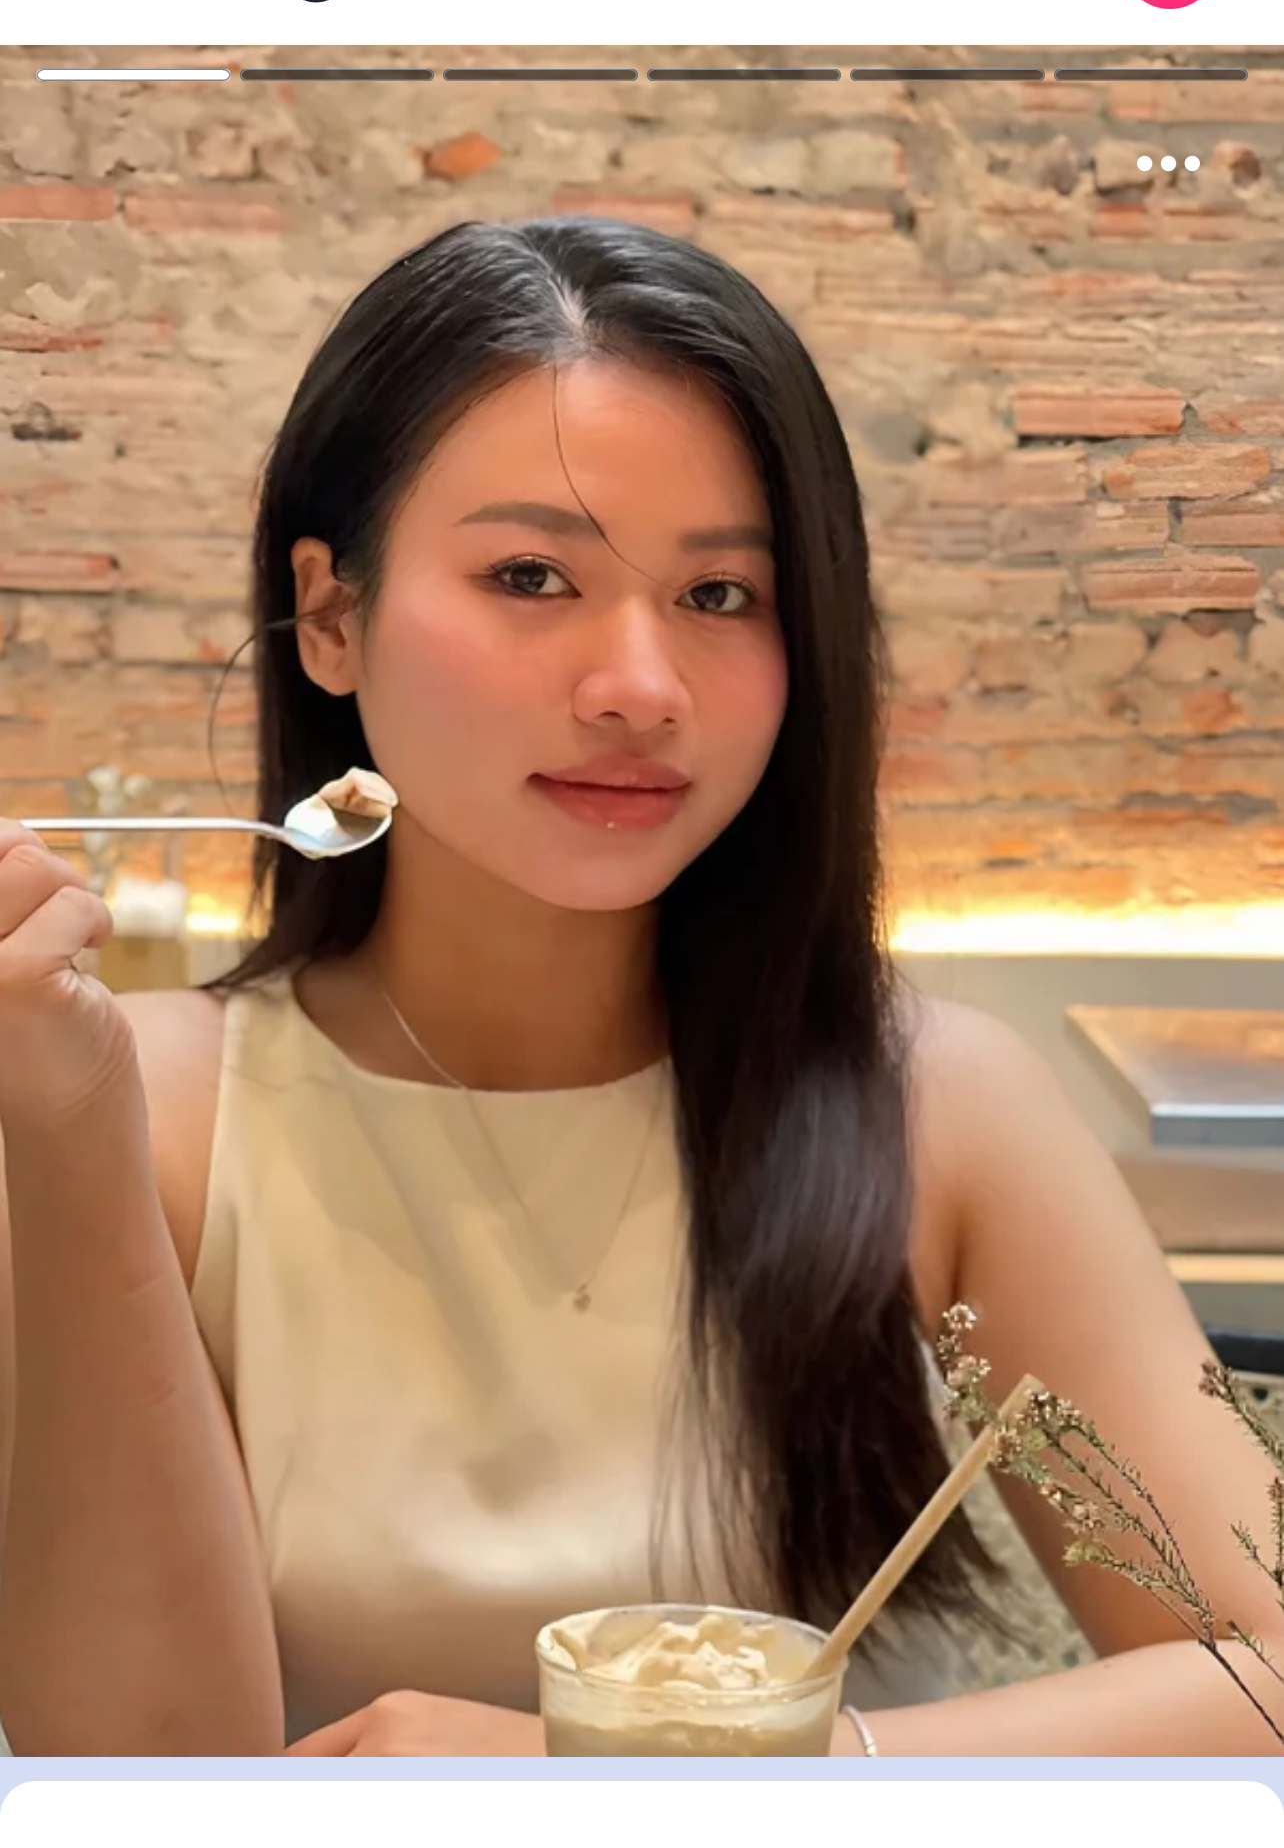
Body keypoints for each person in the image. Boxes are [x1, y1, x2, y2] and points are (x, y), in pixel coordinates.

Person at [0, 217, 1279, 1760]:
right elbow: (137, 1774)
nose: (640, 686)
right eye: (531, 574)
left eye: (720, 595)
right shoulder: (132, 1107)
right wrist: (64, 1141)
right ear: (331, 614)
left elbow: (1269, 1673)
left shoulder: (935, 1106)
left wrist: (687, 1780)